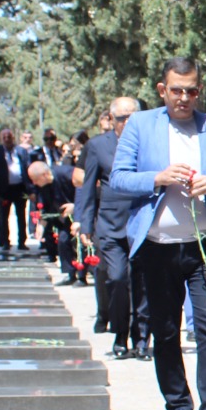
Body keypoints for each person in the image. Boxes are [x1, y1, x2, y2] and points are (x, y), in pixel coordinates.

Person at [110, 58, 206, 410]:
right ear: (162, 90)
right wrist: (157, 177)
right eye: (176, 90)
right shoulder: (140, 125)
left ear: (199, 90)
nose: (184, 98)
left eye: (191, 90)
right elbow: (119, 178)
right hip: (157, 250)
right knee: (166, 330)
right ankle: (176, 406)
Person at [77, 98, 149, 358]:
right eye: (121, 118)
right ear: (112, 119)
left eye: (132, 117)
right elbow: (87, 187)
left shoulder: (149, 143)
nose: (127, 122)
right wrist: (84, 222)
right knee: (118, 279)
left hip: (142, 222)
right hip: (110, 225)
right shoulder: (97, 146)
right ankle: (120, 334)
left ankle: (141, 339)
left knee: (142, 283)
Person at [27, 160, 81, 284]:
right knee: (63, 240)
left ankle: (84, 275)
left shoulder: (67, 173)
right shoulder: (42, 187)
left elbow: (83, 191)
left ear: (44, 175)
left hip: (82, 213)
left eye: (35, 179)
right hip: (65, 218)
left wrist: (76, 207)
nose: (34, 183)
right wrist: (41, 225)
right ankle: (70, 273)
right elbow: (45, 207)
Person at [0, 129, 30, 250]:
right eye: (4, 137)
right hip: (3, 190)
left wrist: (30, 189)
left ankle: (22, 241)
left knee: (21, 216)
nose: (7, 139)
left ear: (13, 138)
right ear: (1, 139)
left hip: (20, 188)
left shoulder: (21, 151)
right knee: (3, 216)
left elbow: (27, 168)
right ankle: (5, 241)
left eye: (9, 137)